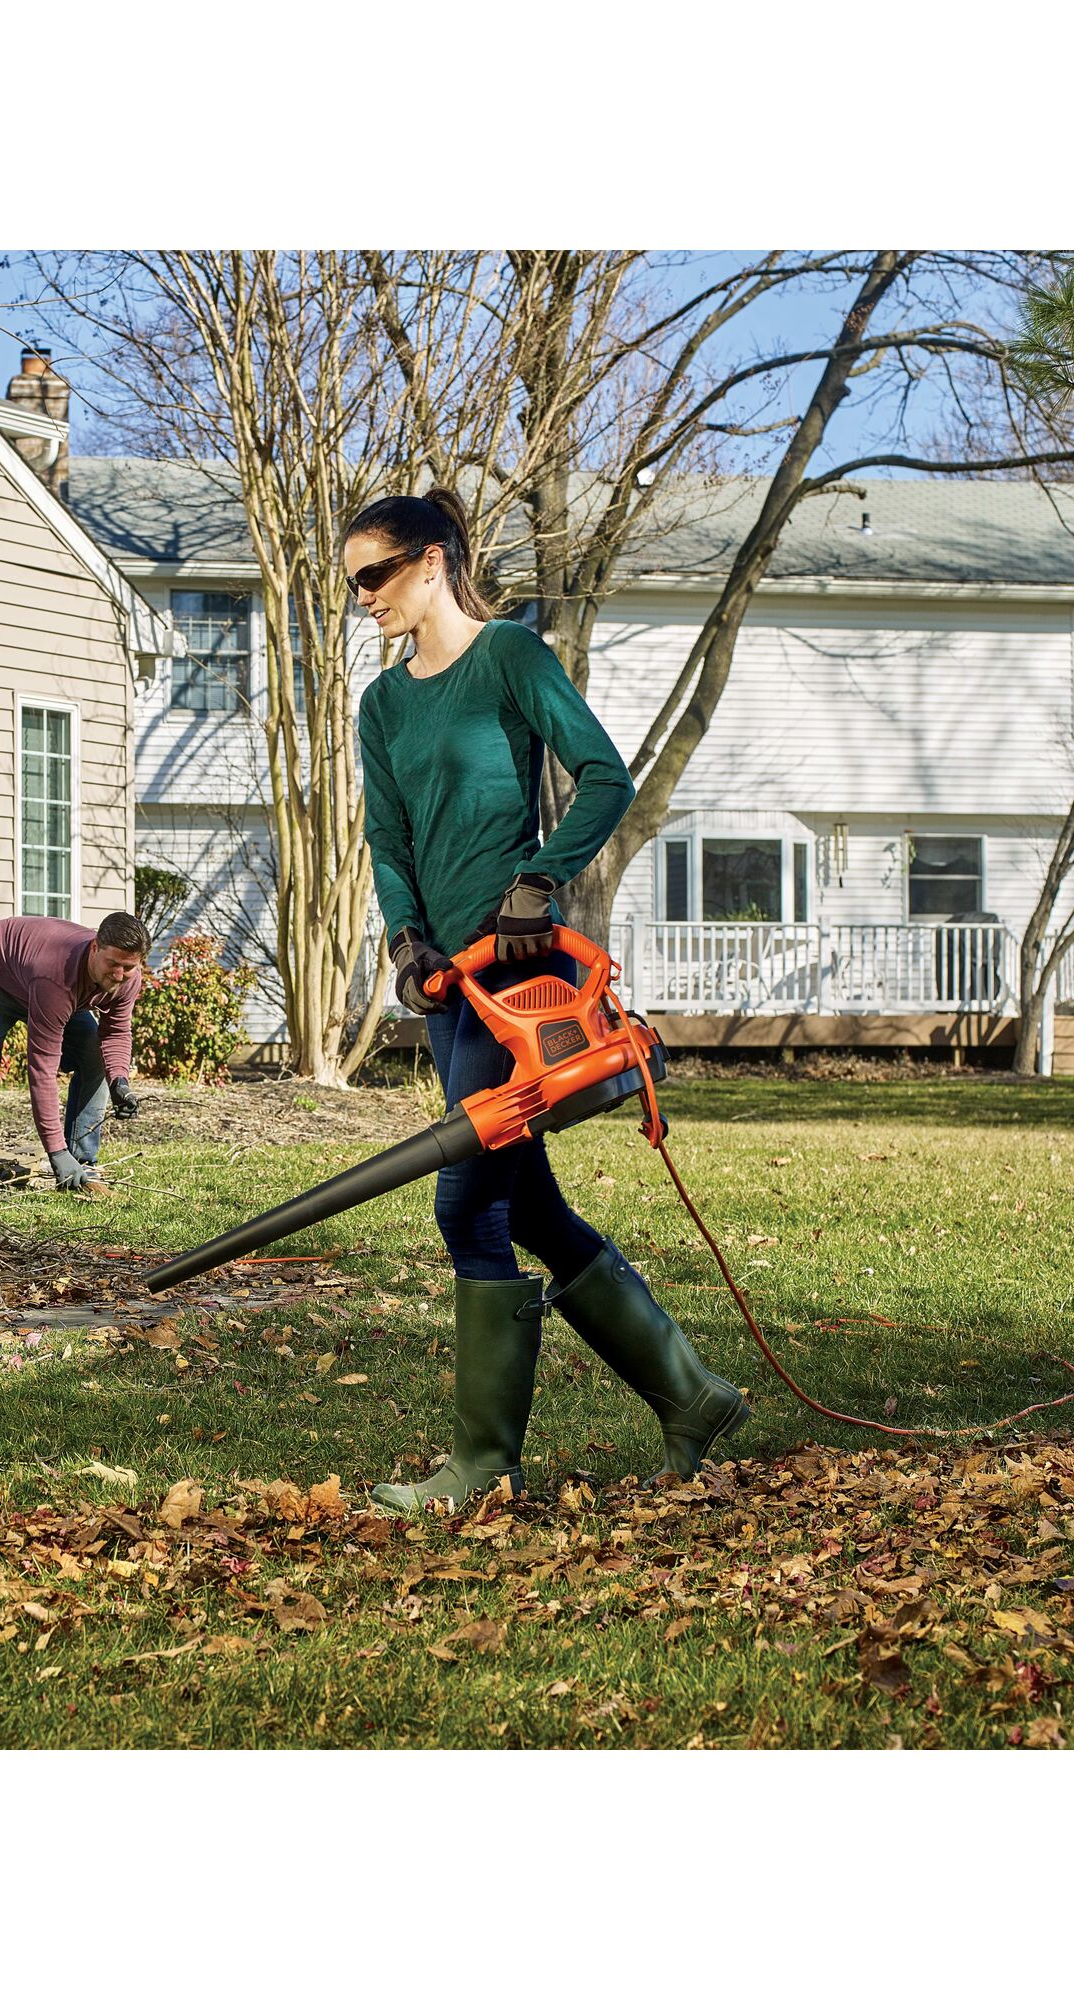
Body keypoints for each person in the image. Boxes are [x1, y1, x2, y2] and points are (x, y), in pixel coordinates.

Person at [349, 488, 750, 1515]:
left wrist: (540, 877)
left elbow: (602, 778)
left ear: (431, 561)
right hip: (448, 987)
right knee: (523, 1199)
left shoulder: (509, 661)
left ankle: (481, 1464)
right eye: (351, 583)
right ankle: (691, 1393)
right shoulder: (383, 705)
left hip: (522, 976)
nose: (362, 599)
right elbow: (387, 841)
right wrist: (405, 938)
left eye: (373, 576)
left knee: (466, 1199)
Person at [0, 911, 148, 1196]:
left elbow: (115, 1033)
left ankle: (81, 1168)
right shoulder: (56, 976)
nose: (119, 975)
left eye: (127, 967)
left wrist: (119, 1080)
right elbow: (42, 1071)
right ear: (95, 948)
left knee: (94, 1052)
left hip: (31, 975)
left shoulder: (127, 978)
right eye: (112, 963)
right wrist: (55, 1152)